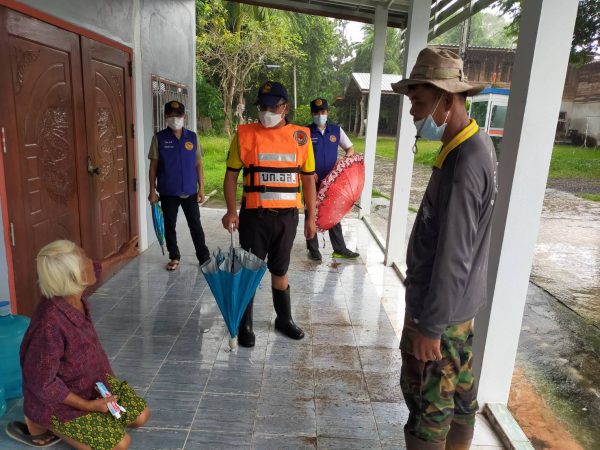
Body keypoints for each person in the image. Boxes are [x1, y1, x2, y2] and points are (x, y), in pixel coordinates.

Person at [391, 47, 497, 450]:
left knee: (428, 408)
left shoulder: (464, 163)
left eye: (419, 102)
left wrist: (430, 327)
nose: (414, 113)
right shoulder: (473, 145)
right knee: (460, 396)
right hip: (459, 307)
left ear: (447, 100)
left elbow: (455, 254)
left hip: (441, 314)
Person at [6, 237, 150, 450]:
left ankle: (91, 421)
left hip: (93, 384)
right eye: (85, 261)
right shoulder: (49, 323)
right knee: (120, 444)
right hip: (59, 404)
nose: (92, 262)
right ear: (75, 276)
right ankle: (43, 423)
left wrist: (121, 255)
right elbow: (42, 382)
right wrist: (88, 406)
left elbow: (98, 267)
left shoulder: (73, 295)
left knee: (140, 416)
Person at [221, 81, 317, 348]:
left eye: (273, 106)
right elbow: (230, 177)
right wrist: (230, 211)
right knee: (249, 271)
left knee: (281, 269)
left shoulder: (301, 137)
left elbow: (309, 180)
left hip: (287, 218)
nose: (267, 112)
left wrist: (312, 217)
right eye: (262, 106)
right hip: (254, 217)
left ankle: (283, 319)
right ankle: (245, 324)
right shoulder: (244, 134)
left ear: (285, 107)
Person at [148, 100, 210, 271]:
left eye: (178, 115)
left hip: (189, 190)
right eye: (170, 115)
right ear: (166, 117)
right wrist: (152, 191)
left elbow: (198, 164)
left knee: (195, 224)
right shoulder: (159, 138)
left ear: (184, 116)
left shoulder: (192, 137)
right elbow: (153, 167)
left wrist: (201, 189)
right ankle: (174, 256)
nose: (174, 118)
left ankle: (204, 257)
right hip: (168, 191)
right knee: (170, 225)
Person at [306, 97, 359, 261]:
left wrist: (343, 163)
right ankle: (313, 249)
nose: (320, 115)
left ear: (327, 112)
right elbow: (299, 155)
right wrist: (308, 172)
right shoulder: (305, 132)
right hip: (311, 181)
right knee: (311, 213)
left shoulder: (336, 131)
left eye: (323, 112)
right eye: (316, 112)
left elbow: (350, 148)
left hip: (331, 182)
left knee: (333, 213)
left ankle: (340, 248)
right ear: (312, 113)